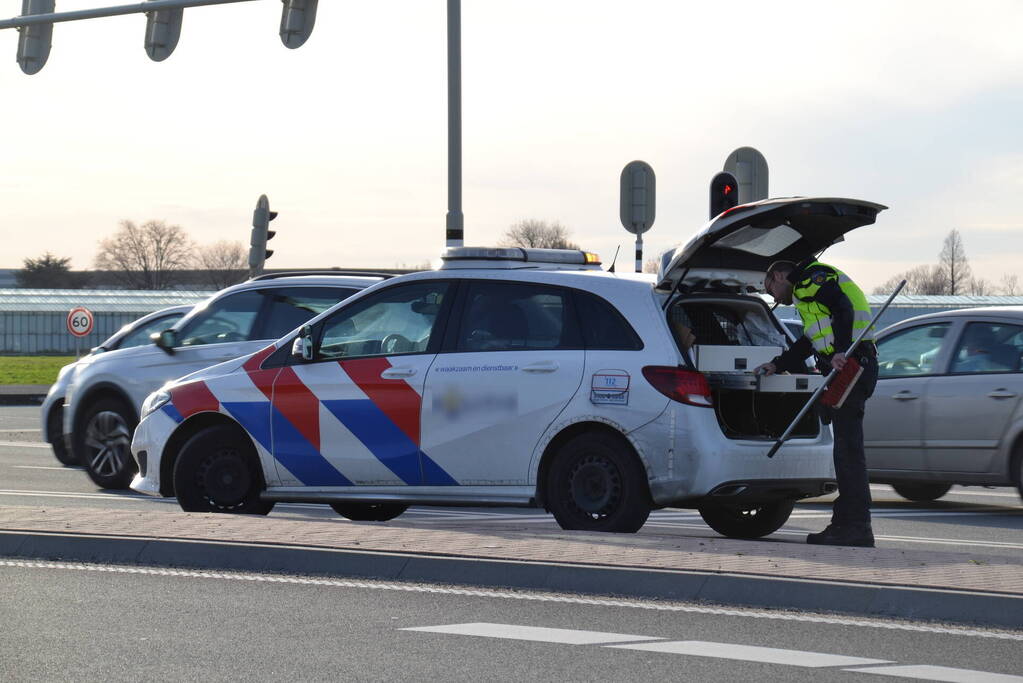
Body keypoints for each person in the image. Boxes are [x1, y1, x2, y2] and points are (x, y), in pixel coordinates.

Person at [756, 259, 878, 548]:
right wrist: (778, 364)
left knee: (848, 452)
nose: (773, 297)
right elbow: (810, 341)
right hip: (853, 366)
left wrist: (839, 352)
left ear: (778, 276)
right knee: (847, 450)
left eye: (769, 287)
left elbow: (843, 309)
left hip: (851, 367)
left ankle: (854, 527)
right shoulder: (805, 294)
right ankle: (850, 524)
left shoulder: (811, 281)